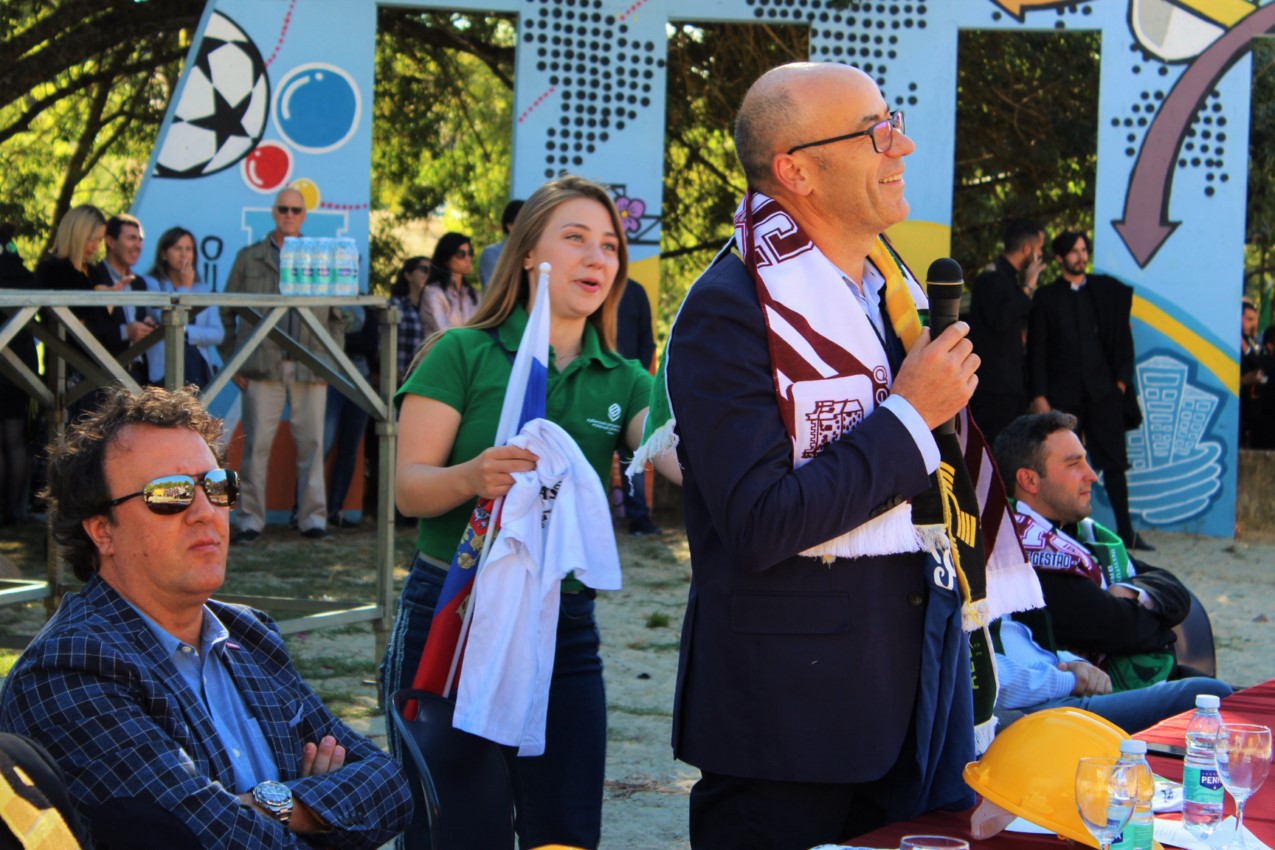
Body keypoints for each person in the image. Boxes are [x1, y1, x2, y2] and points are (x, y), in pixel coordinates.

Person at [653, 63, 985, 850]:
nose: (899, 144)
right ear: (794, 170)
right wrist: (910, 416)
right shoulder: (729, 311)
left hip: (909, 697)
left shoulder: (888, 294)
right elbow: (761, 522)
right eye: (873, 131)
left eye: (892, 119)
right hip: (787, 726)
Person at [384, 175, 676, 849]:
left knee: (564, 833)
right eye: (574, 239)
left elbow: (675, 456)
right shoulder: (461, 351)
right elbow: (409, 490)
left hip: (563, 627)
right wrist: (471, 475)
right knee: (454, 832)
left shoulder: (627, 377)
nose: (596, 258)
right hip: (453, 616)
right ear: (525, 254)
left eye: (609, 246)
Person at [0, 386, 411, 849]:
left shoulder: (248, 633)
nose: (204, 511)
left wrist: (272, 803)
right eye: (169, 493)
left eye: (217, 485)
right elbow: (213, 839)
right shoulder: (67, 669)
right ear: (102, 531)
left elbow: (388, 785)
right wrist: (322, 813)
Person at [994, 411, 1205, 687]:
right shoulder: (1022, 552)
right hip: (1089, 707)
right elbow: (1120, 630)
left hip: (1147, 683)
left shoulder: (1083, 533)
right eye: (1074, 464)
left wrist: (1131, 592)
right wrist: (1163, 623)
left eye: (1086, 461)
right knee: (1207, 692)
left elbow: (1175, 591)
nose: (1091, 475)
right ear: (1029, 480)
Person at [220, 187, 344, 544]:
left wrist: (328, 365)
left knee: (313, 445)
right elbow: (227, 311)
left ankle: (312, 520)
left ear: (304, 215)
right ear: (274, 212)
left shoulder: (321, 257)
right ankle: (249, 521)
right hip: (262, 365)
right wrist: (234, 361)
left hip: (310, 367)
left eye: (296, 210)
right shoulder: (249, 257)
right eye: (283, 209)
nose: (289, 214)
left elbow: (337, 319)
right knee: (257, 446)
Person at [1027, 231, 1148, 550]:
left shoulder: (1104, 293)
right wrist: (1039, 394)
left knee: (1115, 463)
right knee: (1063, 465)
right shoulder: (1048, 298)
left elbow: (1123, 340)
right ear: (1059, 258)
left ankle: (1127, 532)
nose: (1081, 256)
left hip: (1103, 395)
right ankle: (1065, 533)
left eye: (1084, 250)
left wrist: (1119, 384)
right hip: (1063, 397)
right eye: (1074, 252)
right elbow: (1037, 350)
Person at [994, 615, 1232, 734]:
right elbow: (986, 680)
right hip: (1028, 712)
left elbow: (1020, 638)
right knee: (1208, 695)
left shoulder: (1087, 534)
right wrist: (1070, 679)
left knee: (1207, 690)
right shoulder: (1023, 543)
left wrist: (1072, 662)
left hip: (1061, 685)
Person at [967, 219, 1045, 447]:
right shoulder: (991, 279)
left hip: (1010, 388)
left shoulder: (1008, 280)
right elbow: (1000, 320)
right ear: (1027, 249)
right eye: (1039, 248)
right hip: (994, 390)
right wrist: (1028, 287)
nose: (1040, 255)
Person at [141, 226, 224, 388]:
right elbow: (164, 318)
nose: (184, 255)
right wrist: (184, 288)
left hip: (197, 366)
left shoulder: (203, 289)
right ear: (163, 254)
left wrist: (185, 331)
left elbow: (217, 333)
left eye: (189, 249)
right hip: (162, 370)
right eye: (177, 248)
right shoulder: (151, 283)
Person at [0, 224, 38, 526]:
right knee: (13, 438)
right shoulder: (17, 263)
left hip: (12, 356)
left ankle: (10, 513)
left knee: (11, 439)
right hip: (22, 358)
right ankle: (14, 512)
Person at [615, 278, 659, 535]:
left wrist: (638, 378)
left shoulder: (635, 290)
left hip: (632, 386)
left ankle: (639, 519)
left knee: (635, 455)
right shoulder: (595, 289)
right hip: (596, 380)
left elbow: (647, 340)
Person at [419, 233, 480, 338]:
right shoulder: (432, 293)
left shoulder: (474, 295)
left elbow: (481, 331)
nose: (467, 258)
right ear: (445, 258)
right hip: (440, 353)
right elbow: (444, 333)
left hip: (468, 352)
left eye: (470, 253)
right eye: (461, 253)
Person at [388, 256, 430, 384]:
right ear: (408, 275)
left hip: (425, 377)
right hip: (398, 378)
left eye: (431, 271)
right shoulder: (395, 304)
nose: (428, 274)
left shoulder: (432, 305)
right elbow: (382, 343)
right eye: (424, 269)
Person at [479, 199, 525, 286]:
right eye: (525, 223)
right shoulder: (492, 253)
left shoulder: (535, 253)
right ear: (510, 226)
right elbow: (493, 290)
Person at [1240, 298, 1264, 447]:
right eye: (1249, 319)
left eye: (1255, 320)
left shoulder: (1251, 343)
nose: (1253, 324)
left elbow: (1261, 366)